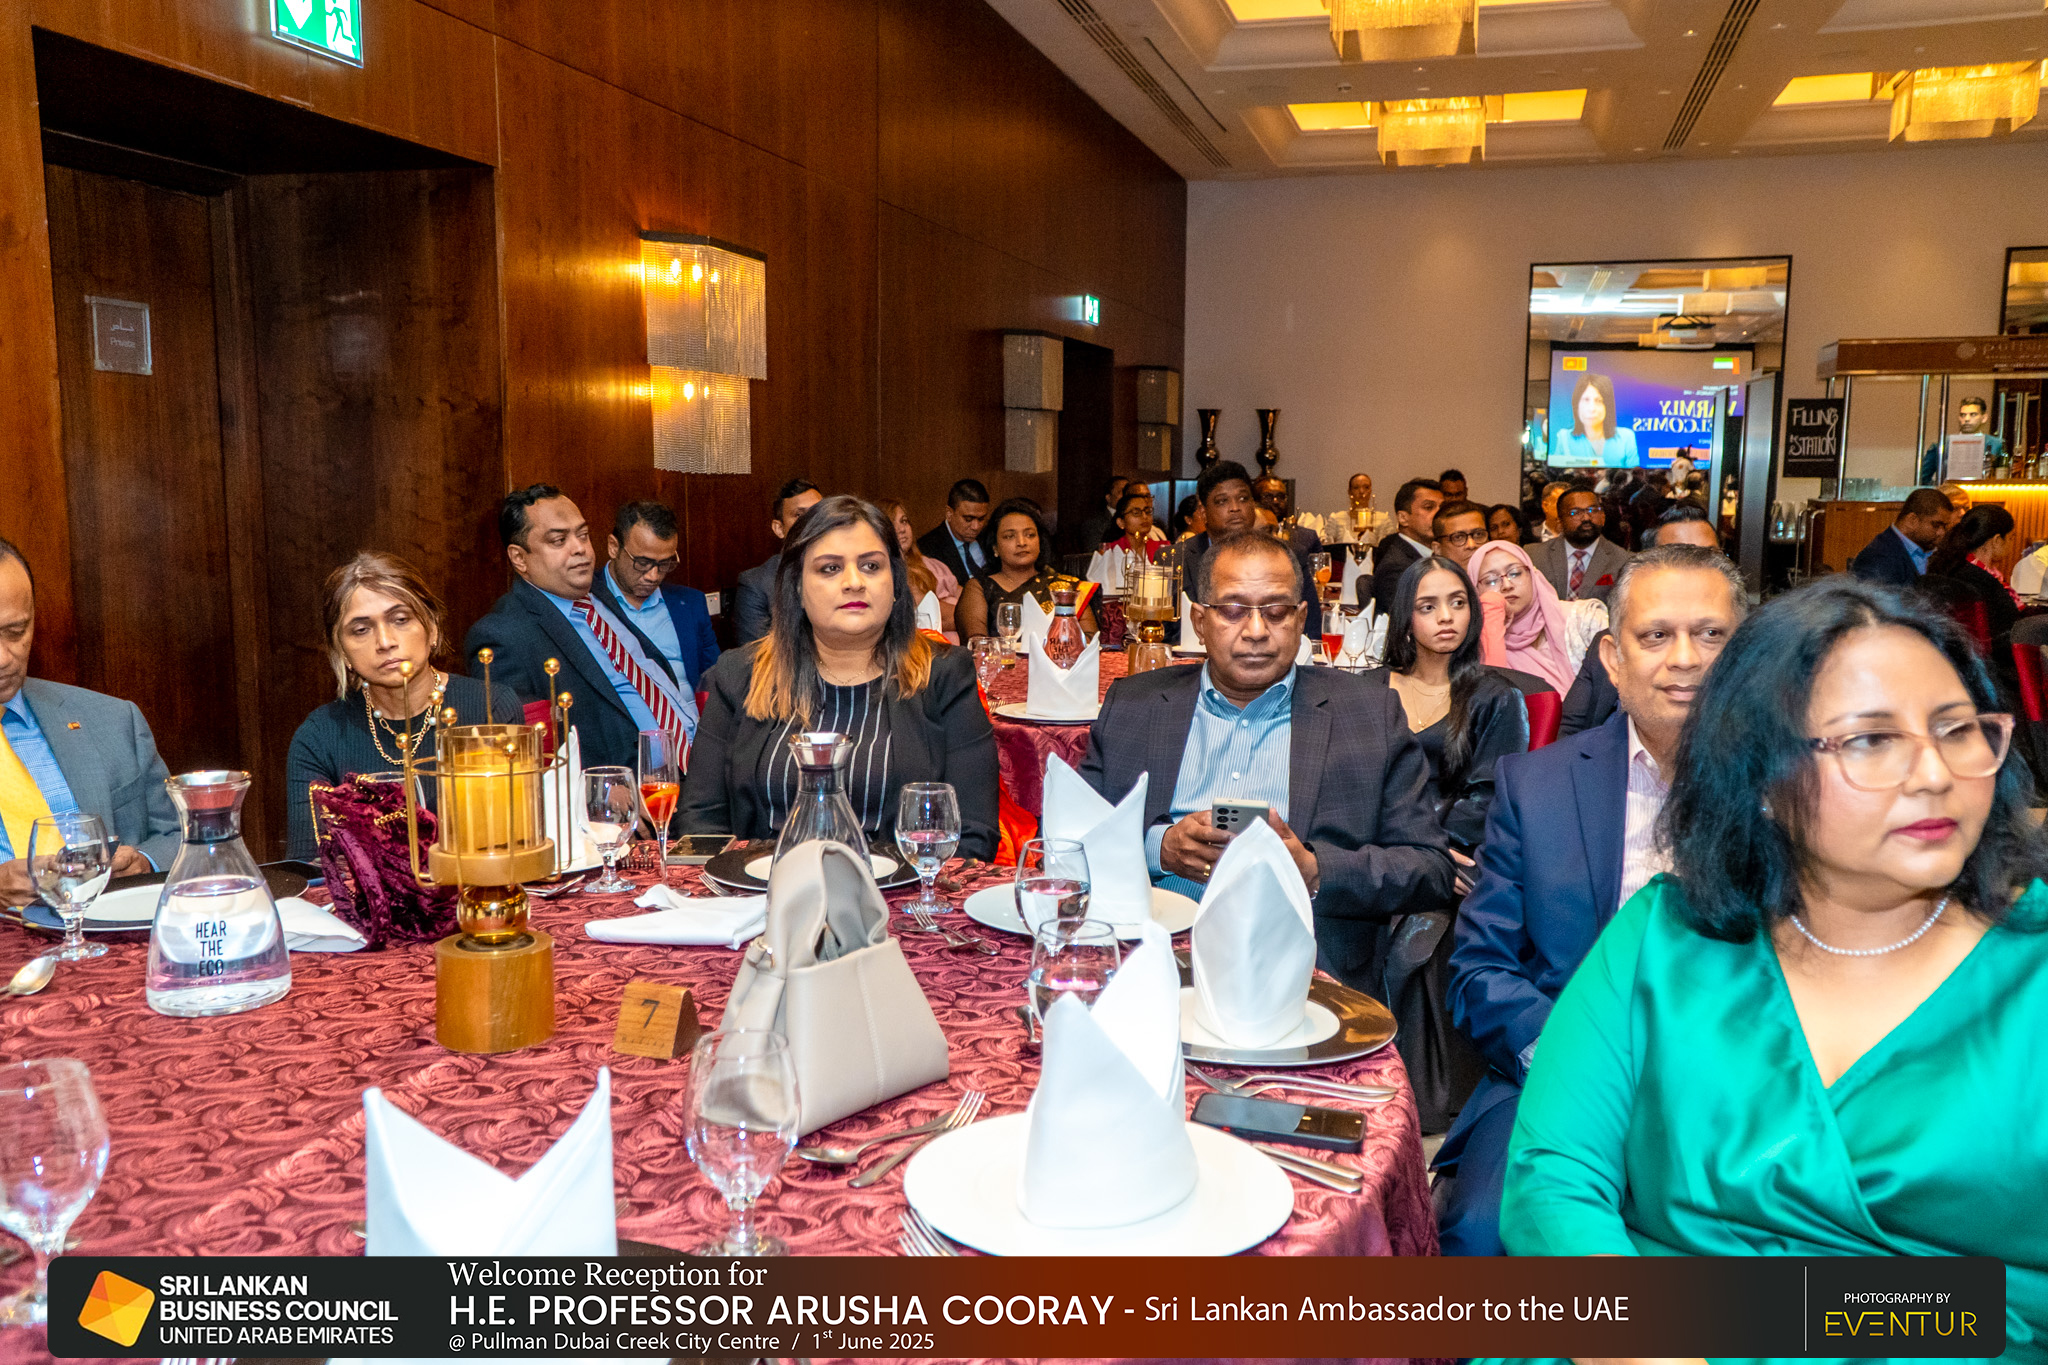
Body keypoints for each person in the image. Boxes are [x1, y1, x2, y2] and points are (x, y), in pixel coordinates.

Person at [1499, 579, 2047, 1353]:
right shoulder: (1663, 937)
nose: (1934, 773)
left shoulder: (2031, 967)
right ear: (1758, 775)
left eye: (1957, 730)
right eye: (1871, 740)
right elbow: (1554, 1178)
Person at [1436, 545, 1746, 1256]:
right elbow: (1480, 967)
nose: (1685, 659)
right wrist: (1576, 1058)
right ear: (1611, 657)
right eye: (1656, 635)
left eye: (1710, 634)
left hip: (1736, 1087)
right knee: (1483, 1233)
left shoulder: (1794, 789)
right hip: (1556, 1067)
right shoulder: (1536, 784)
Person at [1077, 531, 1453, 991]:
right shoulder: (1134, 706)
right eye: (1233, 610)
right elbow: (1067, 841)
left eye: (1275, 612)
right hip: (1146, 958)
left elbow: (1430, 867)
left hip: (1301, 971)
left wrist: (1314, 869)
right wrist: (1160, 849)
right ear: (1199, 621)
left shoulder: (1368, 714)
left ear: (1301, 619)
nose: (1256, 631)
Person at [679, 496, 999, 858]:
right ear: (797, 587)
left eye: (871, 566)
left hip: (901, 887)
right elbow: (699, 824)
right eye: (830, 568)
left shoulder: (945, 674)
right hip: (759, 885)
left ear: (895, 583)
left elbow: (973, 835)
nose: (854, 582)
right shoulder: (739, 674)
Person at [284, 553, 522, 862]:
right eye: (361, 629)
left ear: (431, 628)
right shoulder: (320, 737)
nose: (385, 642)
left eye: (400, 619)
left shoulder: (491, 707)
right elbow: (310, 868)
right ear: (341, 651)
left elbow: (515, 843)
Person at [464, 486, 698, 770]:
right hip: (636, 784)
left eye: (583, 535)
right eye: (559, 540)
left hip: (699, 757)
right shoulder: (501, 636)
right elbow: (526, 757)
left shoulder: (596, 594)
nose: (580, 549)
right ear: (519, 558)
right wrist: (605, 787)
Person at [0, 539, 179, 903]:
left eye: (16, 632)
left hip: (112, 930)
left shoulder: (113, 720)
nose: (3, 658)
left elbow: (180, 834)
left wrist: (144, 862)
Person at [1369, 556, 1528, 852]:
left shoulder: (1496, 697)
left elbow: (1489, 797)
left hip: (1448, 849)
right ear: (1405, 617)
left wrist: (1428, 851)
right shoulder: (1368, 689)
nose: (1446, 617)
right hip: (1372, 847)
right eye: (1428, 607)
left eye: (1458, 603)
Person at [1561, 503, 1726, 738]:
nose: (1698, 570)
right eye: (1678, 557)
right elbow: (1571, 731)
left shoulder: (1752, 642)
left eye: (1710, 556)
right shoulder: (1614, 642)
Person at [1169, 462, 1321, 638]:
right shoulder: (1177, 558)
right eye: (1222, 501)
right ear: (1203, 512)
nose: (1235, 508)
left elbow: (1311, 631)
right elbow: (1167, 633)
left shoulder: (1288, 555)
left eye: (1243, 499)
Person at [590, 501, 721, 696]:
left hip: (691, 712)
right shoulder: (584, 600)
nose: (653, 576)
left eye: (664, 564)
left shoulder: (691, 604)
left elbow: (716, 680)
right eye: (642, 563)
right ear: (614, 547)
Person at [1468, 540, 1606, 695]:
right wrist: (1491, 614)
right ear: (1476, 591)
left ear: (1532, 575)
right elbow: (1493, 698)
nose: (1507, 585)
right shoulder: (1472, 649)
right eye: (1491, 581)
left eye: (1515, 573)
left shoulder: (1584, 620)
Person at [954, 499, 1099, 640]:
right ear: (995, 548)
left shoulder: (1066, 587)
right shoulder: (979, 588)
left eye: (1030, 535)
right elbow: (977, 644)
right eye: (1009, 536)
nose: (1022, 543)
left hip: (1063, 657)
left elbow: (1091, 641)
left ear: (1040, 542)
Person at [1923, 504, 2024, 652]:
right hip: (1992, 658)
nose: (2012, 543)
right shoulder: (1982, 580)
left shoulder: (1955, 566)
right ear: (1997, 540)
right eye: (2011, 538)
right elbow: (2005, 631)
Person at [733, 480, 823, 643]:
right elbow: (757, 654)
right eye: (799, 515)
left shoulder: (849, 573)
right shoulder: (756, 584)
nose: (812, 522)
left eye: (818, 513)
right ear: (779, 529)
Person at [1531, 488, 1632, 604]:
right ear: (1560, 521)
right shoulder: (1535, 556)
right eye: (1575, 512)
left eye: (1592, 510)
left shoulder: (1623, 561)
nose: (1586, 518)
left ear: (1602, 517)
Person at [878, 498, 958, 635]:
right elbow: (944, 617)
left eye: (904, 521)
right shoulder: (892, 573)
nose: (901, 529)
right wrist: (977, 614)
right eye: (891, 524)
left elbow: (965, 594)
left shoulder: (930, 563)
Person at [1847, 487, 1954, 588]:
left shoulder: (1927, 550)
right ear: (1912, 520)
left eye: (1945, 527)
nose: (1942, 533)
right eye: (1936, 525)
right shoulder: (1879, 558)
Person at [1369, 478, 1444, 615]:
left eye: (1442, 508)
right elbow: (1406, 621)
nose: (1439, 514)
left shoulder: (1440, 554)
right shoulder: (1397, 567)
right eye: (1429, 507)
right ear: (1403, 518)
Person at [1550, 373, 1640, 468]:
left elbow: (1634, 473)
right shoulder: (1564, 438)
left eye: (1599, 401)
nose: (1592, 408)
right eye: (1586, 400)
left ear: (1607, 405)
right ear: (1577, 404)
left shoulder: (1626, 437)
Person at [916, 478, 993, 588]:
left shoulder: (989, 537)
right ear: (949, 513)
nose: (976, 527)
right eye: (968, 519)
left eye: (981, 519)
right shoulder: (926, 550)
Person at [1918, 395, 2006, 486]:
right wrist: (1940, 489)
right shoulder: (1941, 444)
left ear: (1984, 418)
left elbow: (2002, 477)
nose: (1966, 419)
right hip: (1949, 492)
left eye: (1973, 415)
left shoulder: (1996, 444)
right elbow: (1923, 477)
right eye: (1963, 415)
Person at [1106, 487, 1168, 563]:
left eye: (1147, 511)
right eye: (1136, 513)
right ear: (1121, 522)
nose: (1144, 516)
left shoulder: (1162, 549)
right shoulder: (1112, 552)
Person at [1430, 500, 1490, 574]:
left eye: (1478, 534)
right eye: (1458, 537)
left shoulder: (1502, 578)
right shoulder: (1428, 580)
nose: (1471, 545)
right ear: (1437, 549)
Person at [1075, 474, 1128, 554]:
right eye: (1121, 492)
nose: (1126, 496)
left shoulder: (1138, 519)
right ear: (1108, 497)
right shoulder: (1094, 523)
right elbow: (1094, 553)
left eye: (1128, 491)